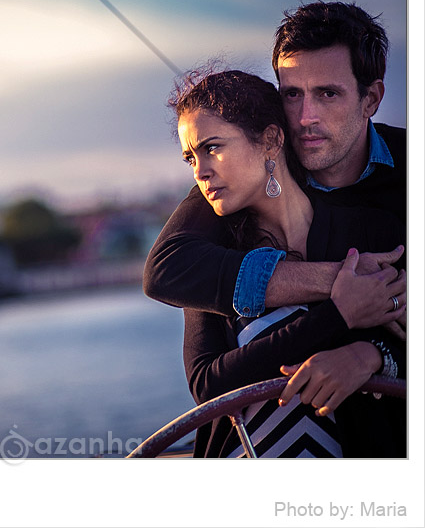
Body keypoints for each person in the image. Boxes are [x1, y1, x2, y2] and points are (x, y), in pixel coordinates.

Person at [143, 1, 406, 411]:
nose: (304, 118)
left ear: (371, 98)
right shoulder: (244, 177)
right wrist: (339, 281)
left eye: (328, 94)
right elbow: (166, 270)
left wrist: (371, 355)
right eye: (292, 94)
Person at [170, 69, 405, 457]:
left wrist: (369, 356)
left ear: (271, 140)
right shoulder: (214, 256)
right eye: (190, 157)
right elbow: (207, 385)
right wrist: (337, 315)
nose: (200, 171)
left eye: (212, 148)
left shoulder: (371, 231)